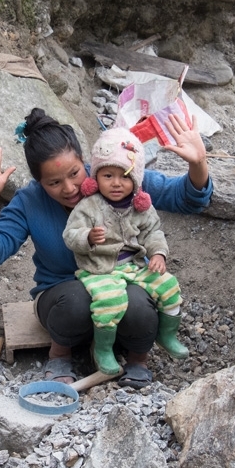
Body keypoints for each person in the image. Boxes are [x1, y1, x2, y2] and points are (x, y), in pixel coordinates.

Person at [0, 107, 211, 388]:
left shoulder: (113, 176)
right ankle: (60, 355)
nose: (69, 188)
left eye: (74, 173)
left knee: (139, 304)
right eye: (54, 182)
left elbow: (189, 198)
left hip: (123, 284)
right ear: (39, 182)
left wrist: (198, 163)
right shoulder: (29, 201)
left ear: (84, 161)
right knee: (77, 300)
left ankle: (136, 359)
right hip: (62, 299)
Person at [62, 127, 189, 375]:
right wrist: (87, 237)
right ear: (95, 178)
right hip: (98, 269)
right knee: (110, 301)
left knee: (169, 285)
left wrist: (158, 254)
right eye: (108, 175)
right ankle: (103, 349)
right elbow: (70, 234)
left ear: (137, 180)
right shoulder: (88, 206)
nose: (116, 183)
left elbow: (153, 232)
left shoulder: (140, 207)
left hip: (134, 265)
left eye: (125, 176)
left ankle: (167, 335)